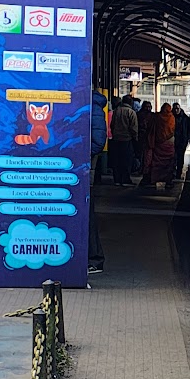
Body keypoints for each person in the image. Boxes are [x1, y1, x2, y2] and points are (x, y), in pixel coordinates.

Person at [88, 88, 108, 274]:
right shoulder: (91, 106)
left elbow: (97, 142)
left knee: (86, 214)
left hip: (84, 170)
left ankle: (94, 259)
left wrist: (79, 154)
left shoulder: (92, 107)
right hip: (80, 170)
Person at [110, 94, 139, 185]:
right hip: (127, 139)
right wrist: (135, 138)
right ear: (130, 102)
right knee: (126, 161)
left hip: (116, 139)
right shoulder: (131, 112)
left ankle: (117, 179)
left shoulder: (116, 111)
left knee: (117, 160)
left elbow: (112, 125)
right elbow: (133, 128)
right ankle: (125, 179)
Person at [172, 102, 190, 180]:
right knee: (173, 158)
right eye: (175, 109)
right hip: (173, 141)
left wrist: (188, 139)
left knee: (180, 158)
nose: (176, 110)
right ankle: (173, 173)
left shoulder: (185, 118)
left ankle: (178, 173)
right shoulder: (171, 117)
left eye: (177, 108)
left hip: (182, 141)